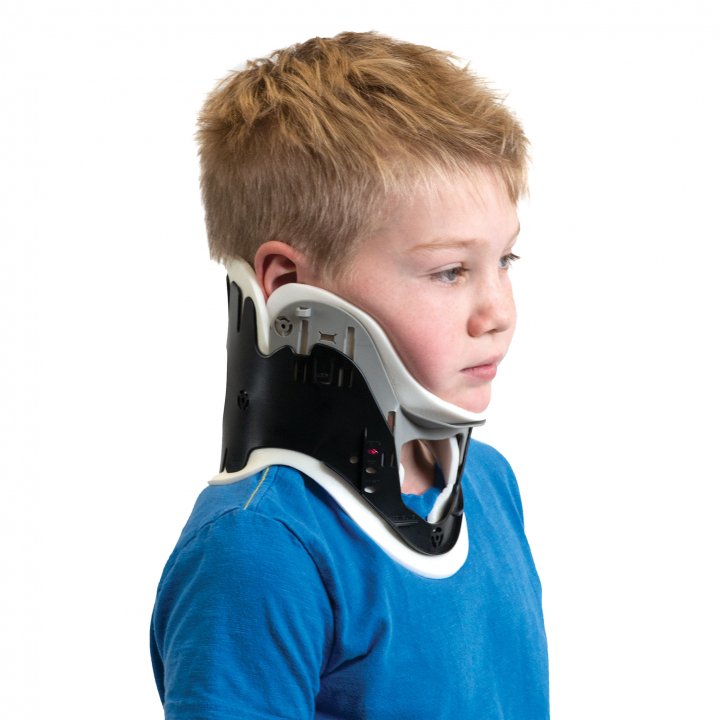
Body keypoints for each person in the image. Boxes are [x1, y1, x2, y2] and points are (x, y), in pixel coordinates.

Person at [150, 31, 548, 719]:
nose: (499, 313)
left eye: (504, 261)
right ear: (288, 286)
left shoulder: (490, 486)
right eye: (450, 271)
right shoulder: (259, 549)